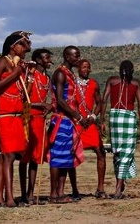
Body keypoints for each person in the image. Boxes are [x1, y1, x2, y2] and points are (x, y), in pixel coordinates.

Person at [0, 31, 32, 207]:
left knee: (4, 156)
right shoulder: (3, 62)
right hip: (5, 114)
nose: (26, 49)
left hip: (17, 116)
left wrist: (26, 76)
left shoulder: (18, 65)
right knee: (8, 156)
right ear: (13, 46)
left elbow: (23, 93)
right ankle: (10, 199)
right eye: (23, 45)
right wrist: (15, 74)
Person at [100, 60, 140, 199]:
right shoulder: (136, 83)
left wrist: (102, 120)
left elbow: (104, 100)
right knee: (126, 153)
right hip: (128, 118)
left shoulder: (112, 80)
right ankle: (118, 187)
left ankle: (119, 184)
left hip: (114, 118)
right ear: (132, 70)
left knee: (118, 153)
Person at [47, 46, 87, 204]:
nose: (78, 59)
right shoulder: (60, 73)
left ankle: (61, 193)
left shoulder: (70, 74)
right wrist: (78, 116)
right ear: (67, 57)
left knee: (66, 157)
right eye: (76, 56)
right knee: (57, 158)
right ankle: (53, 194)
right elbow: (61, 101)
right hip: (61, 120)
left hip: (68, 121)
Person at [67, 59, 108, 200]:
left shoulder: (94, 84)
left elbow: (100, 102)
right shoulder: (72, 83)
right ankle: (74, 190)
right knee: (71, 154)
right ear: (78, 68)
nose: (86, 69)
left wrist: (94, 116)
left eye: (88, 67)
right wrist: (77, 117)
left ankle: (100, 188)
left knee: (100, 152)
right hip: (76, 122)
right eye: (83, 67)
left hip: (89, 122)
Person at [19, 48, 53, 206]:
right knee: (25, 158)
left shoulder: (48, 77)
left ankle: (31, 194)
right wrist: (41, 104)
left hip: (41, 120)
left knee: (35, 159)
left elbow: (50, 98)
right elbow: (24, 98)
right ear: (38, 60)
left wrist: (50, 106)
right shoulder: (30, 75)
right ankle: (23, 193)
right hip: (29, 118)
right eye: (46, 58)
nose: (49, 60)